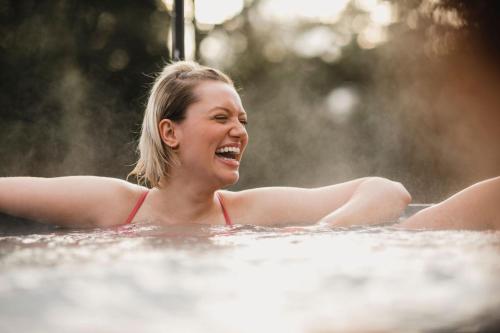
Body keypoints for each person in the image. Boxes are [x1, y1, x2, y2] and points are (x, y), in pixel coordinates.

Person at [0, 61, 411, 228]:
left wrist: (317, 238)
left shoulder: (248, 210)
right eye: (221, 118)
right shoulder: (117, 205)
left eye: (242, 120)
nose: (239, 131)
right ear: (170, 132)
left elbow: (387, 192)